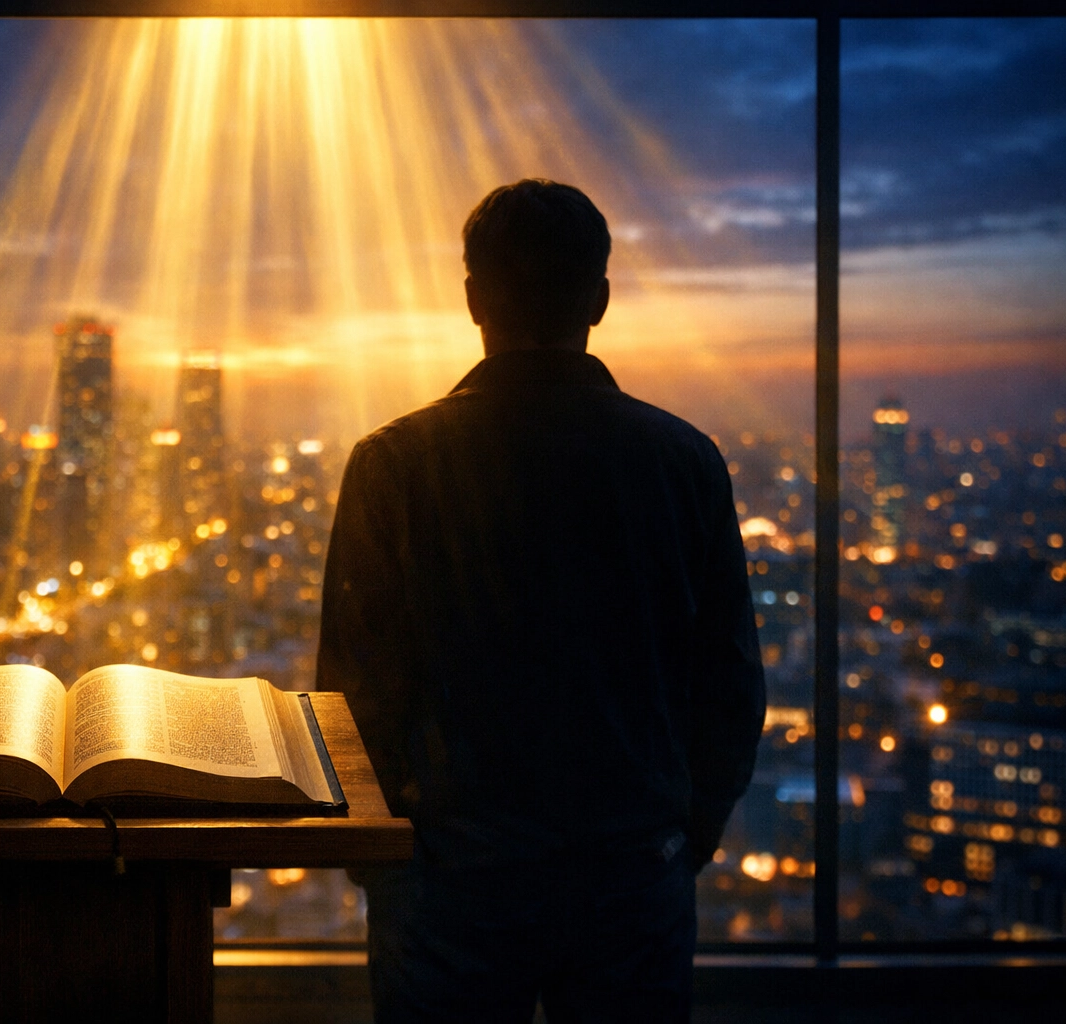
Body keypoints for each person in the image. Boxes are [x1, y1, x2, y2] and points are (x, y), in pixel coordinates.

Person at [316, 179, 766, 1023]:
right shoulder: (684, 463)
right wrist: (678, 841)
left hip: (451, 882)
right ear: (599, 299)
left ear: (473, 299)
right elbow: (730, 687)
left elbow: (353, 696)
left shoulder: (395, 465)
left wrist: (393, 863)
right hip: (632, 878)